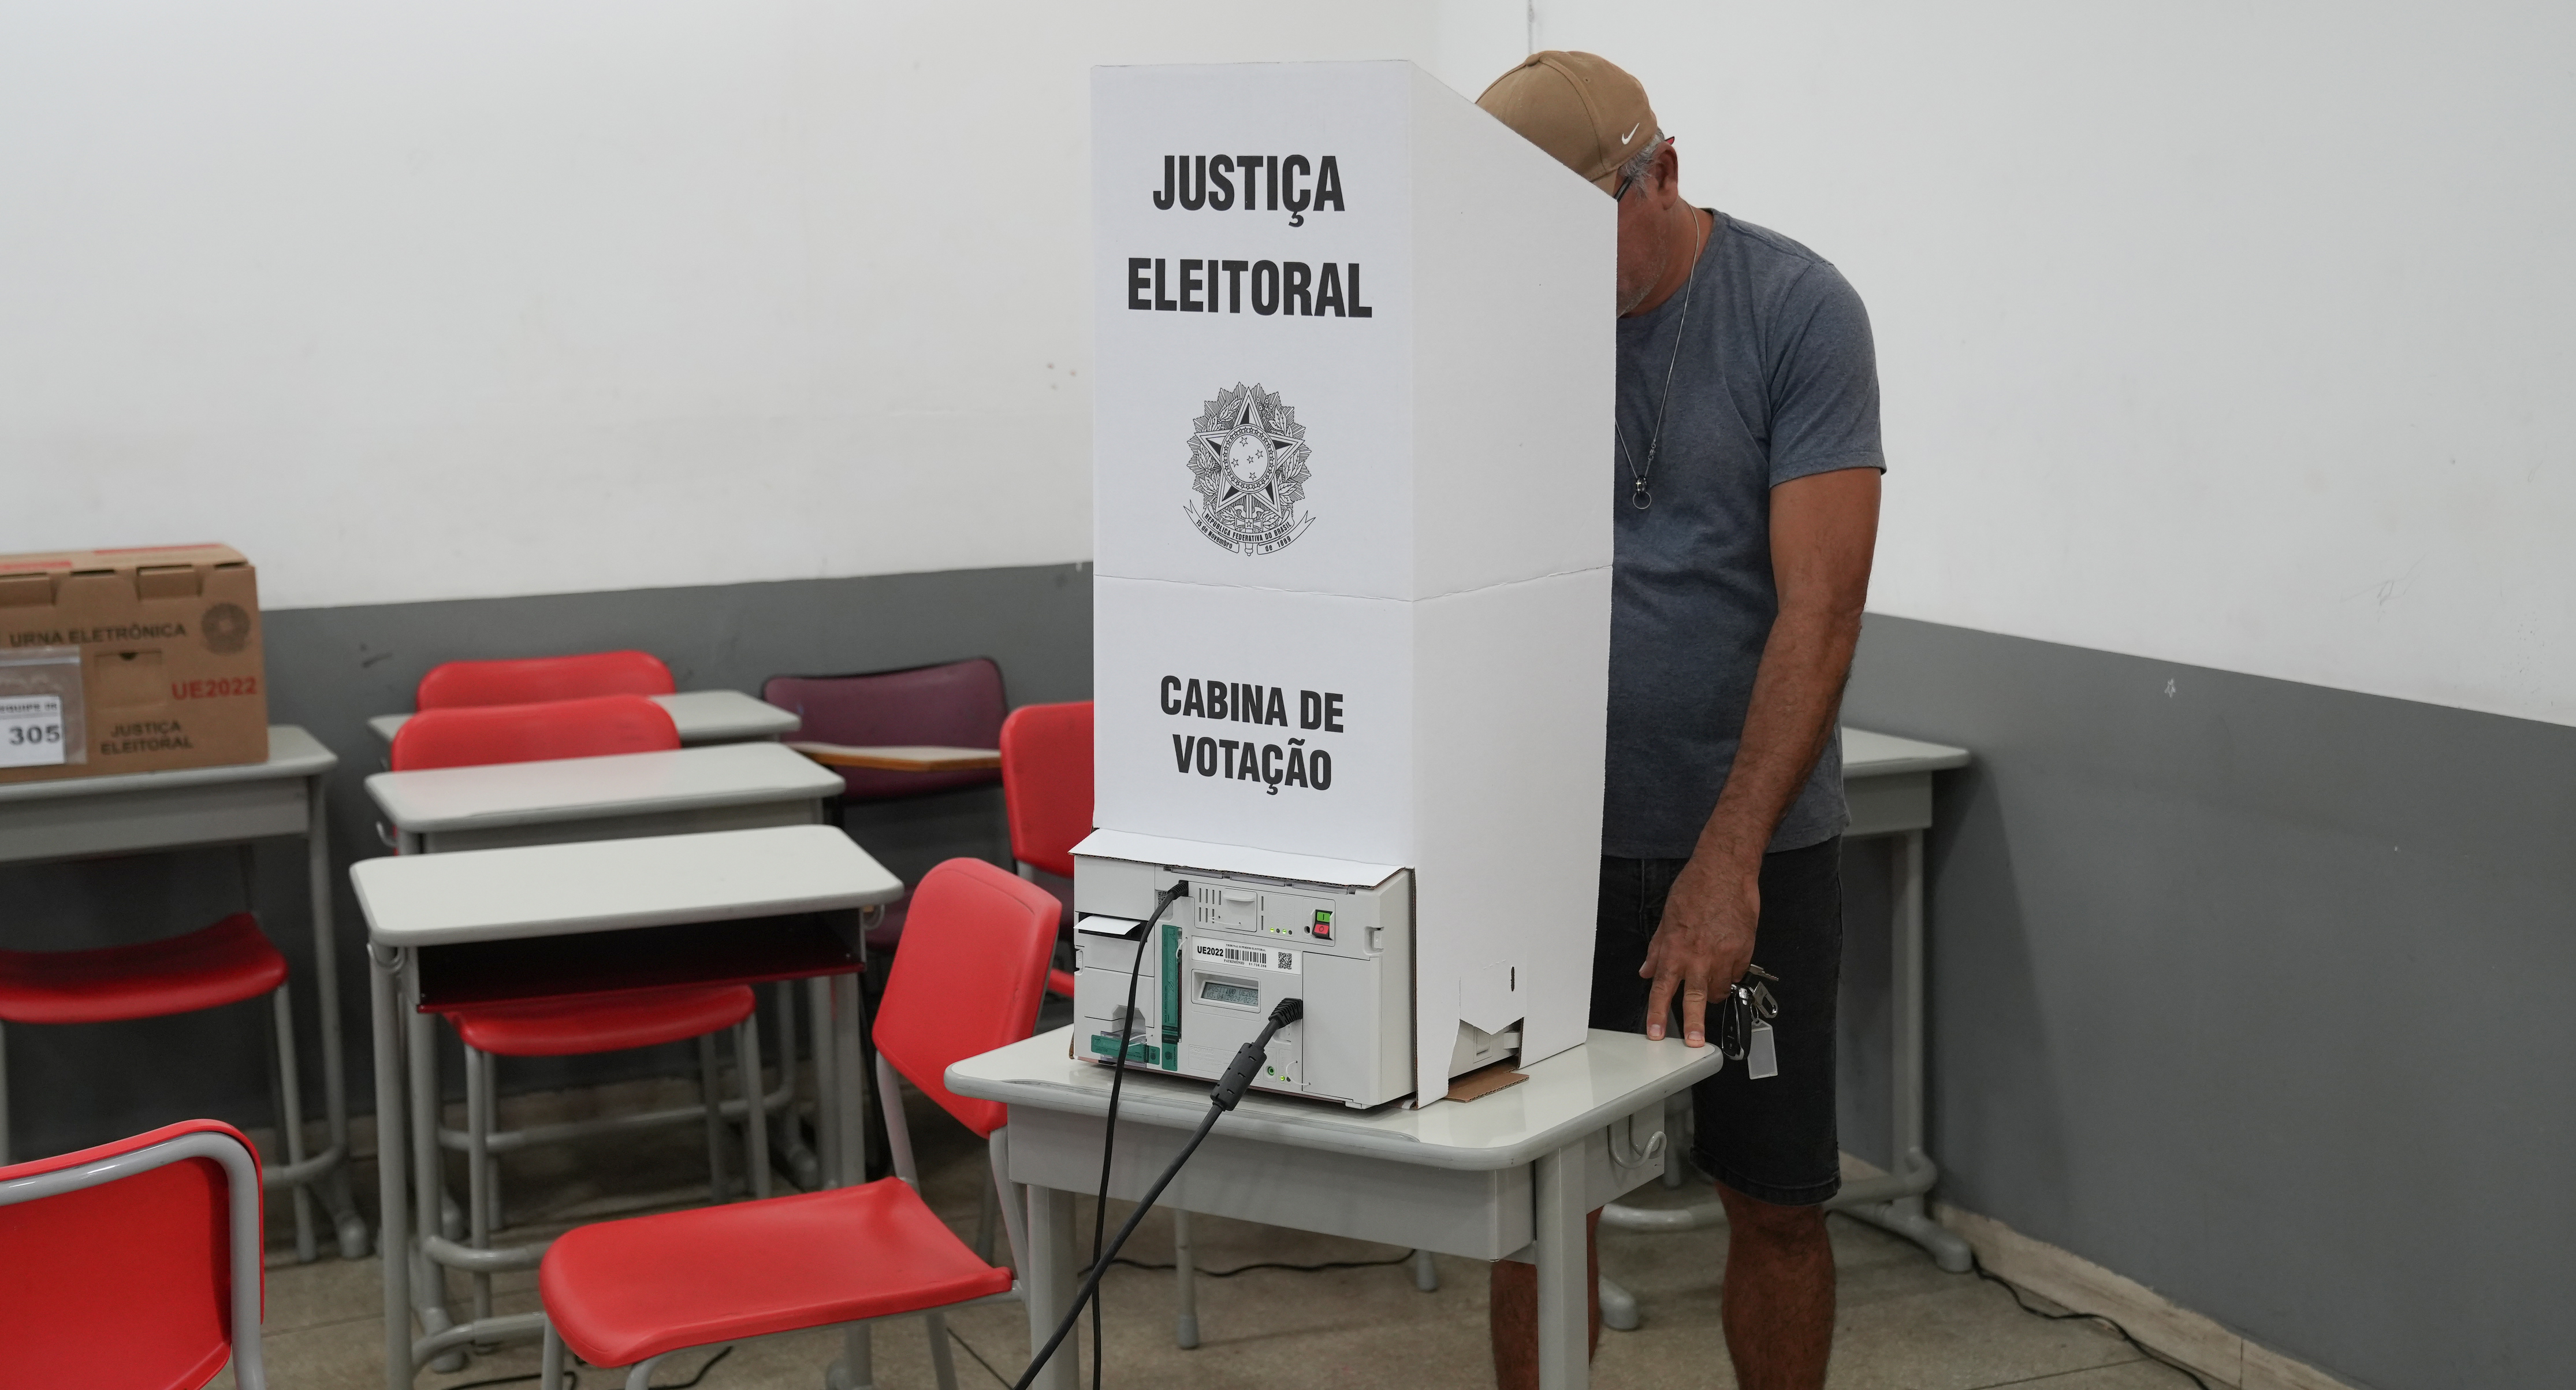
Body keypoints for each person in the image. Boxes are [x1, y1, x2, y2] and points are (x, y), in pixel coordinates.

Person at [1475, 51, 1885, 1390]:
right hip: (1554, 871)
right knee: (1535, 1210)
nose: (1542, 272)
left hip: (1747, 864)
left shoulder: (1795, 312)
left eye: (1572, 230)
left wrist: (1727, 860)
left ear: (1659, 173)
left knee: (1772, 1201)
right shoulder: (1499, 323)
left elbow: (1820, 606)